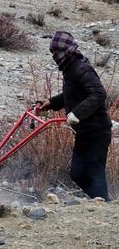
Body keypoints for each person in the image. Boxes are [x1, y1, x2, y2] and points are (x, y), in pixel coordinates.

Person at [38, 31, 112, 200]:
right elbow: (71, 95)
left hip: (97, 131)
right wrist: (50, 103)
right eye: (53, 53)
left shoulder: (81, 68)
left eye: (56, 52)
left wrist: (77, 113)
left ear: (65, 50)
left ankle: (102, 205)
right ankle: (98, 201)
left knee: (94, 172)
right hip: (83, 131)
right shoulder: (69, 68)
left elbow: (99, 93)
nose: (55, 56)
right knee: (77, 173)